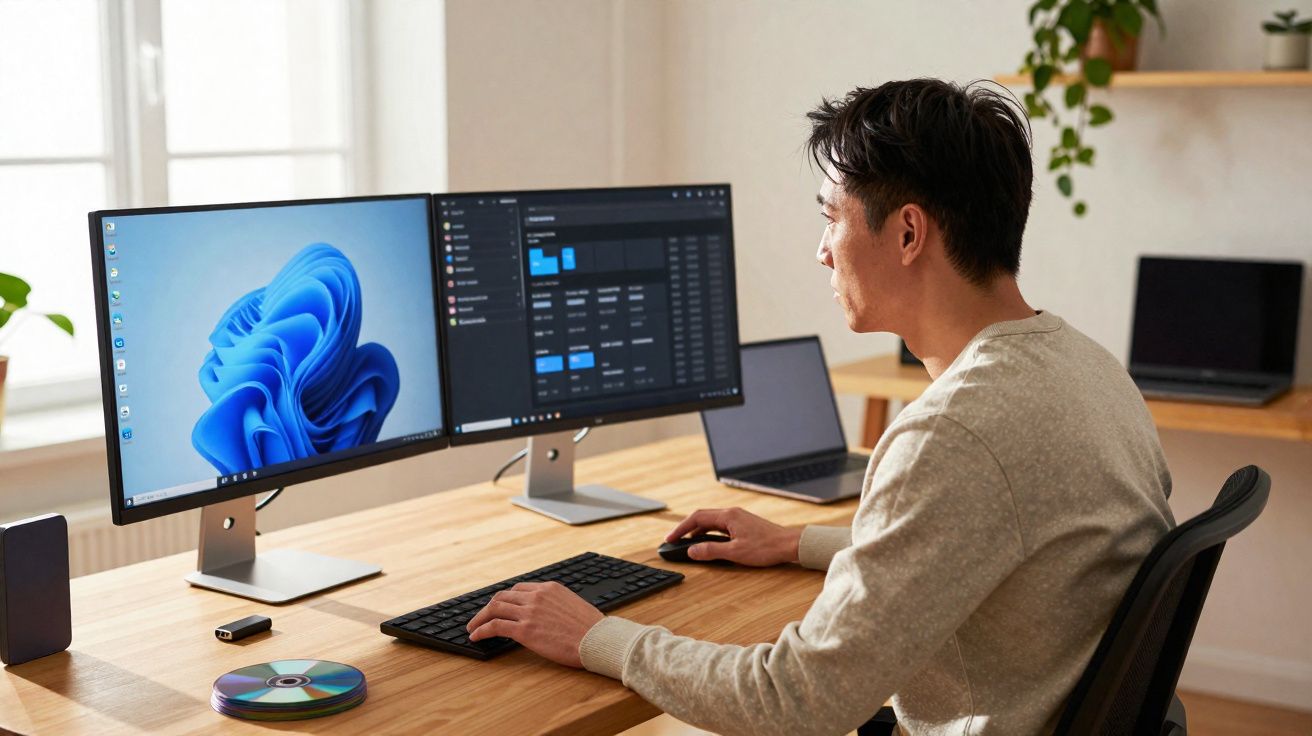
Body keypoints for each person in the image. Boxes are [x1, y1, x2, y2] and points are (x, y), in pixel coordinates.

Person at [464, 78, 1175, 735]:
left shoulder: (953, 431)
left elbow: (800, 700)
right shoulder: (1088, 367)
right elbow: (1002, 544)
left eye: (831, 218)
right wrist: (796, 543)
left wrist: (596, 636)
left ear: (906, 233)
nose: (821, 252)